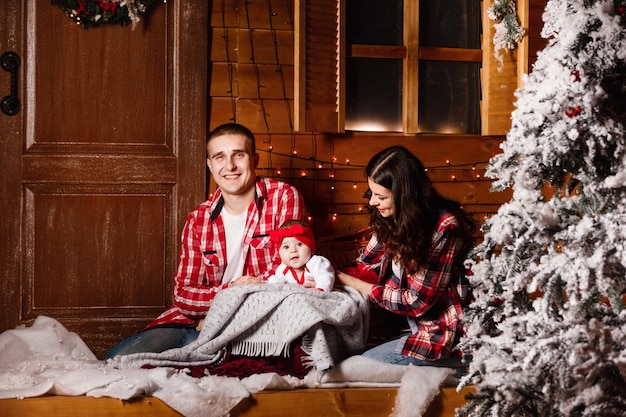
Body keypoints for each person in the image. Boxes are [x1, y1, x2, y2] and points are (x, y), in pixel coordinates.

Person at [106, 123, 307, 359]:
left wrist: (222, 309)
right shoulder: (198, 219)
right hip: (197, 321)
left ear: (255, 159)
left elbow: (287, 272)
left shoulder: (283, 197)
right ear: (210, 165)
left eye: (238, 155)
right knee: (120, 358)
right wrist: (227, 294)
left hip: (258, 321)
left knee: (213, 367)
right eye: (219, 157)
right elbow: (183, 294)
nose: (230, 166)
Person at [335, 146, 476, 375]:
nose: (372, 202)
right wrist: (321, 271)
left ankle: (461, 367)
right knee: (345, 360)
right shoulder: (391, 219)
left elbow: (417, 302)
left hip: (448, 335)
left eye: (380, 197)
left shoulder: (444, 227)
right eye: (371, 193)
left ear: (404, 195)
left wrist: (352, 283)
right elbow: (364, 265)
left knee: (355, 368)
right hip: (414, 329)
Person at [266, 220, 335, 292]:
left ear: (311, 248)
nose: (293, 250)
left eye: (299, 244)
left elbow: (325, 277)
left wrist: (320, 289)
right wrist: (265, 284)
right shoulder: (283, 268)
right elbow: (274, 281)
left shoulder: (317, 262)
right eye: (286, 247)